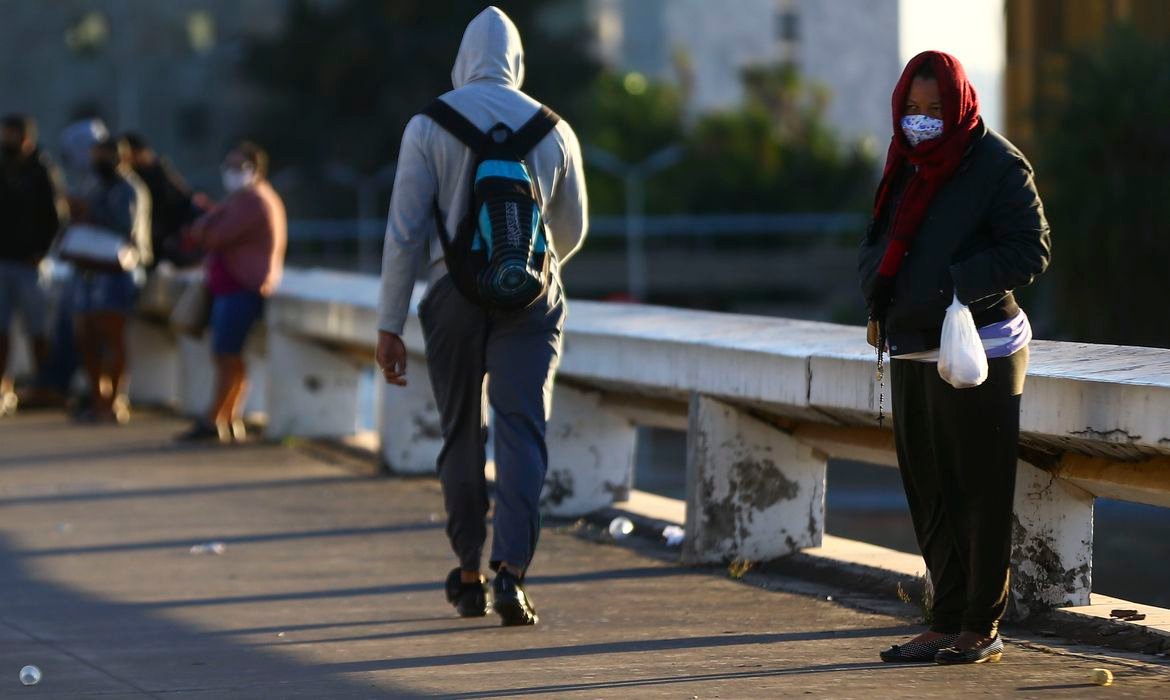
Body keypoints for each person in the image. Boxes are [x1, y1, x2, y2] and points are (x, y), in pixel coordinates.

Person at [376, 6, 587, 626]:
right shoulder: (555, 128)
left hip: (451, 295)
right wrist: (523, 268)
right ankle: (512, 574)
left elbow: (404, 234)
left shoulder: (428, 124)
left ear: (463, 60)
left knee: (462, 431)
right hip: (531, 301)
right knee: (522, 430)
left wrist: (389, 323)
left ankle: (468, 572)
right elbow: (572, 230)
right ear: (517, 62)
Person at [858, 51, 1051, 665]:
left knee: (979, 489)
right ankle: (943, 619)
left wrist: (952, 286)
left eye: (935, 109)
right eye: (912, 109)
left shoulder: (996, 164)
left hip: (980, 348)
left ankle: (981, 626)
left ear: (960, 106)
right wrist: (880, 294)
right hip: (914, 345)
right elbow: (880, 240)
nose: (922, 121)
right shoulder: (904, 163)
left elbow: (1031, 248)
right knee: (928, 489)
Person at [177, 142, 286, 443]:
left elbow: (213, 235)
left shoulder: (253, 201)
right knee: (226, 354)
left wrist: (203, 224)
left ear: (256, 169)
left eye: (239, 167)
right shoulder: (243, 199)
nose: (231, 173)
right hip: (231, 288)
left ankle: (218, 417)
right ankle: (225, 417)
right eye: (228, 166)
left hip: (242, 289)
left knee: (227, 353)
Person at [70, 135, 152, 423]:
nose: (99, 162)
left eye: (106, 156)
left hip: (117, 271)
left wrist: (89, 213)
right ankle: (97, 398)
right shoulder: (93, 184)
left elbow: (125, 227)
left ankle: (115, 400)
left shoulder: (130, 189)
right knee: (86, 337)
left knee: (112, 336)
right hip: (88, 269)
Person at [0, 114, 68, 414]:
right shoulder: (2, 166)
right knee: (0, 330)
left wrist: (42, 251)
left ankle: (46, 386)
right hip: (3, 260)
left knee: (38, 329)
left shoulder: (42, 171)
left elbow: (56, 217)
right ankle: (4, 387)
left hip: (30, 264)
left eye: (12, 135)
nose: (6, 140)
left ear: (26, 138)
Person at [123, 132, 206, 268]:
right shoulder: (134, 176)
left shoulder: (157, 173)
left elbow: (180, 201)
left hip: (166, 241)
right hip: (154, 241)